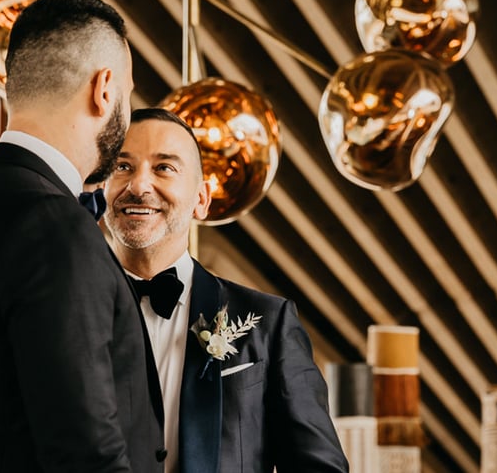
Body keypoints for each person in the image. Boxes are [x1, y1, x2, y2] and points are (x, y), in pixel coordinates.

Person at [0, 0, 165, 473]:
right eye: (128, 96)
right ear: (104, 89)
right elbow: (85, 453)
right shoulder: (52, 224)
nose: (127, 115)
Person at [103, 107, 349, 473]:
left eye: (164, 168)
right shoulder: (61, 315)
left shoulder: (270, 324)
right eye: (122, 166)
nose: (138, 187)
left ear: (202, 200)